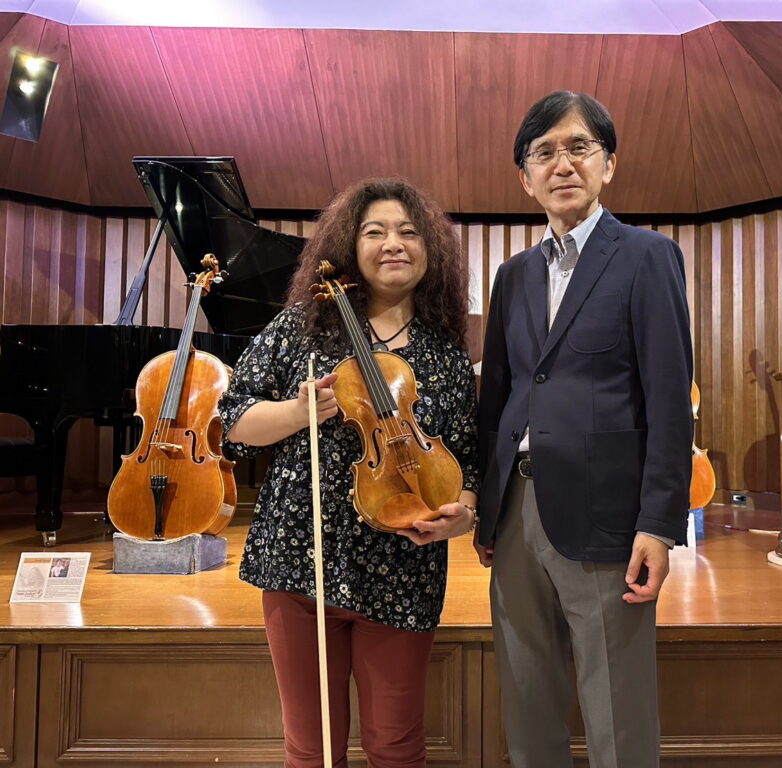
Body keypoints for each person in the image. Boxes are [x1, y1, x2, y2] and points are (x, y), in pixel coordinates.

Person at [219, 178, 479, 768]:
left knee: (395, 744)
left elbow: (468, 458)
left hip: (403, 568)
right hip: (299, 561)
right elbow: (232, 418)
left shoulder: (445, 354)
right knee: (311, 749)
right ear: (349, 245)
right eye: (376, 231)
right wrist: (295, 412)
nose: (394, 243)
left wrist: (460, 515)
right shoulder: (303, 329)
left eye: (409, 232)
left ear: (429, 250)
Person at [476, 90, 693, 768]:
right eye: (544, 153)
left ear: (608, 165)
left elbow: (668, 402)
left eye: (578, 148)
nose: (562, 164)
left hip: (606, 518)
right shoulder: (513, 276)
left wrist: (659, 524)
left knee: (618, 717)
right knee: (527, 700)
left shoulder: (646, 257)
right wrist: (487, 512)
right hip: (517, 516)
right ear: (525, 176)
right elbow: (500, 402)